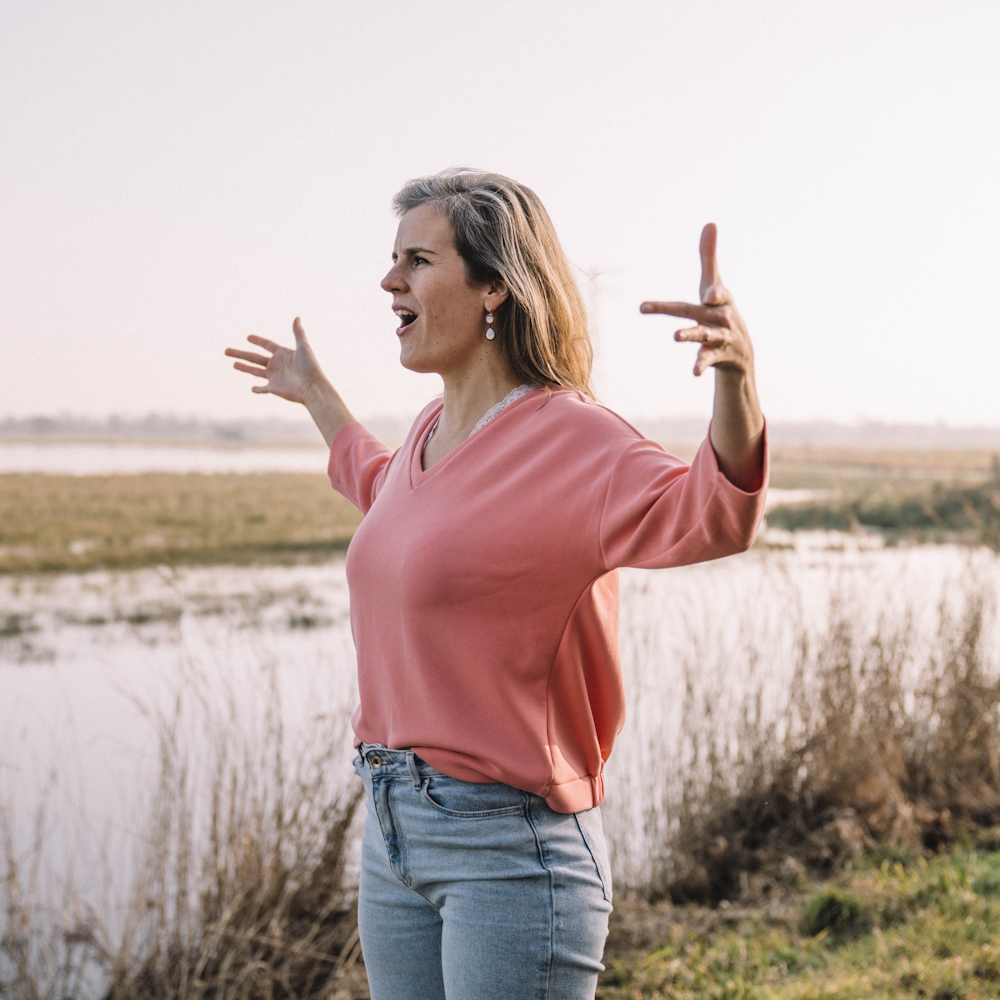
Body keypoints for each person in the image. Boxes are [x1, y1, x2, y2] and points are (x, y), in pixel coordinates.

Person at [225, 168, 767, 1000]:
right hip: (392, 832)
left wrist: (737, 379)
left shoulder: (575, 439)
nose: (389, 281)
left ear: (495, 290)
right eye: (392, 260)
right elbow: (390, 499)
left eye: (418, 260)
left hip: (511, 852)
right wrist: (317, 397)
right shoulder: (429, 431)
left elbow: (714, 513)